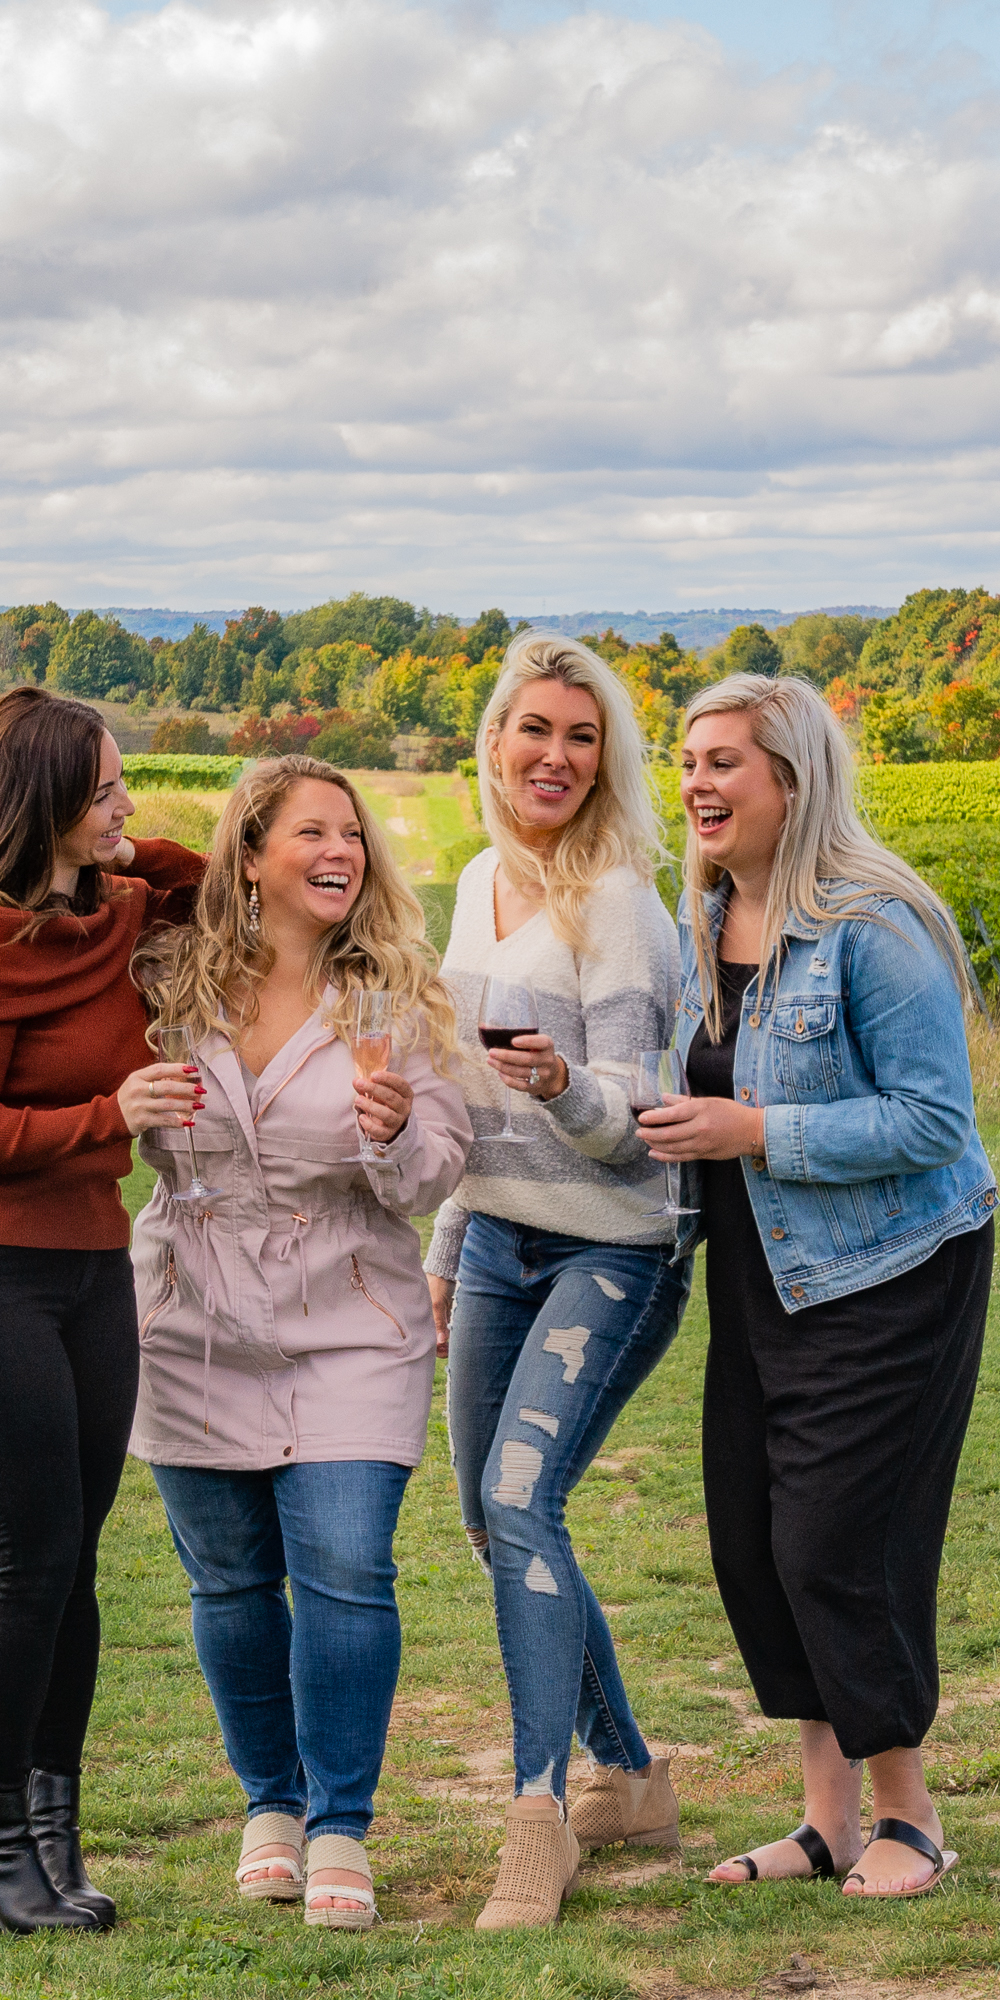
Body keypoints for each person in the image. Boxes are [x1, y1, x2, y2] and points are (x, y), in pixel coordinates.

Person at [633, 673, 998, 1901]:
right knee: (755, 1545)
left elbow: (934, 1121)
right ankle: (824, 1822)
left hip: (891, 1270)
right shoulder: (702, 920)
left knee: (836, 1543)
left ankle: (911, 1819)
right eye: (687, 760)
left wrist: (754, 1129)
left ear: (795, 781)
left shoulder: (873, 927)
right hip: (762, 1275)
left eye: (725, 761)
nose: (696, 782)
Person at [131, 755, 474, 1931]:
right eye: (312, 833)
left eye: (354, 835)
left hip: (352, 1318)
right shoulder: (164, 982)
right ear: (252, 854)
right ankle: (267, 1806)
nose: (342, 853)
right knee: (228, 1580)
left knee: (344, 1568)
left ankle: (340, 1824)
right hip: (193, 1318)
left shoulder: (393, 997)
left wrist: (391, 1133)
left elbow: (435, 1171)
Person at [0, 687, 209, 1936]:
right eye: (107, 788)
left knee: (74, 1562)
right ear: (40, 803)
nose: (130, 804)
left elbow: (206, 882)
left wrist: (128, 847)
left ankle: (53, 1841)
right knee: (29, 1563)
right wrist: (107, 1118)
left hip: (87, 1270)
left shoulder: (109, 907)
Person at [425, 633, 693, 1931]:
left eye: (581, 737)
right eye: (534, 729)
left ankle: (538, 1819)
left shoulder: (623, 909)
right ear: (495, 742)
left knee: (524, 1497)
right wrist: (441, 1241)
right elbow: (461, 1093)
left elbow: (641, 1120)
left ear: (607, 761)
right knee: (492, 1516)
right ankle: (632, 1774)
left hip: (613, 1244)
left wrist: (566, 1086)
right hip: (492, 1239)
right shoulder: (475, 883)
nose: (555, 755)